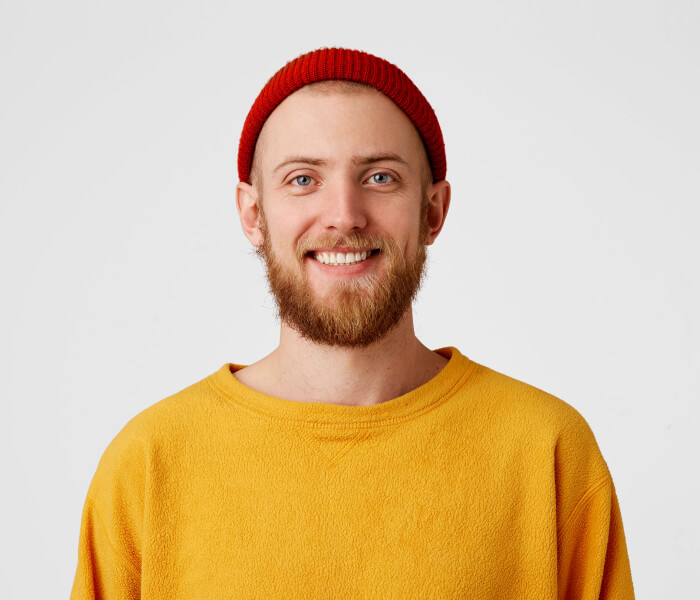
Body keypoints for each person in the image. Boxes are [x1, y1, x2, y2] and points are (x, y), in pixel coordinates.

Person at [71, 48, 635, 599]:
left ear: (433, 211)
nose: (344, 215)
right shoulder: (148, 465)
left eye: (381, 177)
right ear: (253, 214)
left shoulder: (548, 451)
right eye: (302, 179)